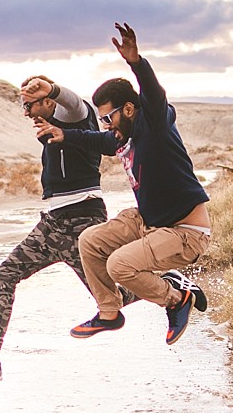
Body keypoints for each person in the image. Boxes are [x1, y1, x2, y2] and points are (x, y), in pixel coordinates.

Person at [39, 23, 210, 345]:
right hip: (148, 222)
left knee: (120, 265)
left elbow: (154, 96)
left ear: (129, 109)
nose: (106, 125)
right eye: (102, 119)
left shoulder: (154, 125)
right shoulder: (124, 137)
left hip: (185, 233)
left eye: (109, 117)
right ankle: (109, 312)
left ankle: (176, 298)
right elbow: (100, 140)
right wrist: (66, 135)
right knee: (89, 240)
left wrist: (136, 63)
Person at [0, 76, 112, 386]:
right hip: (53, 224)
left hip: (80, 221)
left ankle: (173, 289)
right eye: (24, 107)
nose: (26, 113)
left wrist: (53, 90)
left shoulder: (75, 118)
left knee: (115, 298)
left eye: (30, 105)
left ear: (49, 102)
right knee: (5, 275)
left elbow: (76, 104)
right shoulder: (51, 129)